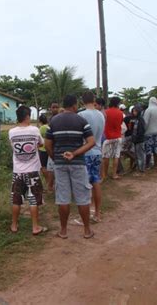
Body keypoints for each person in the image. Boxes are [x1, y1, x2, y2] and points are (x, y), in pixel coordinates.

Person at [45, 95, 95, 239]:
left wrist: (56, 158)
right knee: (82, 198)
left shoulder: (53, 121)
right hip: (78, 163)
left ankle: (63, 231)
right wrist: (74, 153)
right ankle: (86, 230)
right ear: (74, 106)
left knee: (63, 198)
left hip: (60, 164)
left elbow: (47, 144)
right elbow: (91, 142)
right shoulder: (81, 120)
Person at [8, 106, 47, 235]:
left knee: (16, 199)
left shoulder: (11, 132)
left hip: (18, 171)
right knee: (33, 200)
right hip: (33, 171)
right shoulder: (34, 130)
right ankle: (35, 227)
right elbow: (41, 144)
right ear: (27, 116)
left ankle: (14, 225)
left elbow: (13, 148)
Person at [78, 91, 105, 223]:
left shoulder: (81, 114)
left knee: (85, 185)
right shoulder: (101, 115)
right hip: (98, 151)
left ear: (82, 101)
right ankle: (97, 214)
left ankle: (86, 216)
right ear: (94, 100)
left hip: (85, 152)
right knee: (96, 182)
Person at [101, 97, 124, 180]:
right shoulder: (120, 113)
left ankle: (105, 175)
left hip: (107, 137)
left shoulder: (106, 112)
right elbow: (121, 123)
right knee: (116, 156)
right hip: (118, 136)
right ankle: (114, 174)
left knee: (106, 157)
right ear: (117, 104)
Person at [143, 97, 157, 169]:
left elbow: (146, 122)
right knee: (156, 148)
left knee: (148, 149)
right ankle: (156, 164)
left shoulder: (148, 110)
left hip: (149, 132)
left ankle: (147, 165)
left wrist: (144, 130)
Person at [45, 102, 60, 191]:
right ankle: (50, 186)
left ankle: (53, 186)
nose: (54, 109)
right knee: (50, 168)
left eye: (56, 107)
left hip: (58, 146)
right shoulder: (50, 119)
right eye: (53, 107)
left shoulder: (59, 118)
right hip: (51, 146)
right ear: (50, 108)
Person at [38, 114, 53, 191]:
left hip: (42, 150)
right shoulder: (49, 127)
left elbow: (39, 139)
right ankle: (50, 183)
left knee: (43, 167)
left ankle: (48, 183)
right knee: (50, 168)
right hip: (50, 149)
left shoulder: (41, 128)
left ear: (40, 121)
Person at [129, 106, 146, 174]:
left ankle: (141, 169)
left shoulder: (141, 119)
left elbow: (141, 130)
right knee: (137, 155)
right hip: (135, 140)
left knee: (140, 155)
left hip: (139, 140)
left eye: (135, 111)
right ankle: (139, 168)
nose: (134, 112)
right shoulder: (135, 119)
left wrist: (138, 138)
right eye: (133, 111)